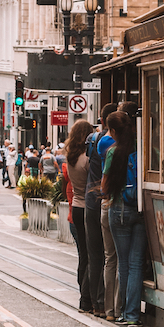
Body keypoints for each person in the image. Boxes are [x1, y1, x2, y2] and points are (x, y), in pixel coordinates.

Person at [103, 111, 147, 327]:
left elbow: (104, 187)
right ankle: (133, 315)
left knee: (124, 263)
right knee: (137, 262)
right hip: (140, 210)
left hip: (119, 208)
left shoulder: (113, 152)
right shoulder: (143, 149)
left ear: (112, 131)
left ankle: (122, 312)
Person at [84, 105, 114, 317]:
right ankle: (108, 303)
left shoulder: (93, 140)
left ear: (101, 120)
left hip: (90, 200)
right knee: (110, 256)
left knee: (94, 257)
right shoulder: (114, 142)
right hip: (105, 200)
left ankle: (97, 304)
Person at [65, 121, 96, 312]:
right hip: (87, 208)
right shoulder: (87, 159)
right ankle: (86, 298)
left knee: (83, 255)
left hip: (76, 207)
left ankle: (82, 293)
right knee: (92, 256)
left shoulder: (70, 158)